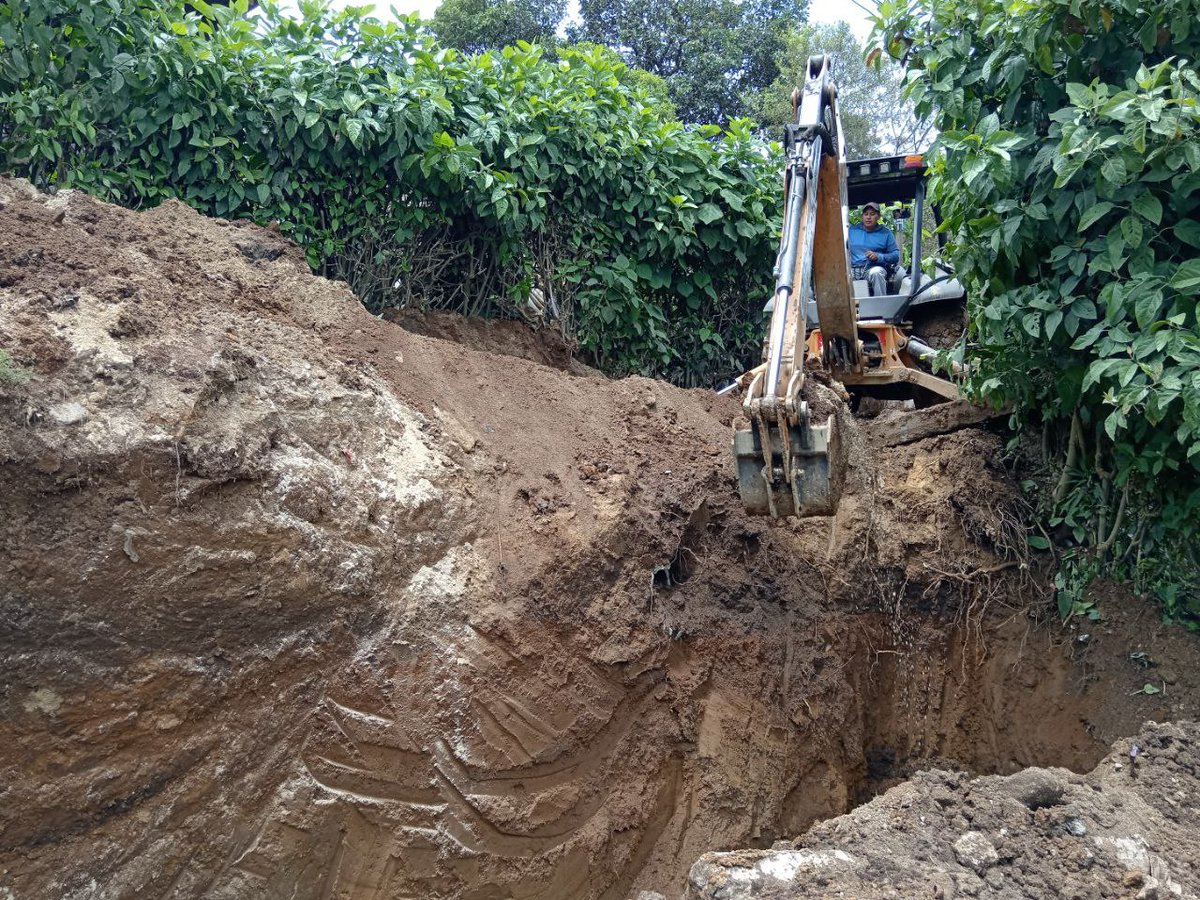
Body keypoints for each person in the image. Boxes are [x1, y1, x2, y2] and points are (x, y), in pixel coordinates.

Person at [849, 201, 900, 296]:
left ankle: (881, 303)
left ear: (878, 217)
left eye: (872, 214)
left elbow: (895, 256)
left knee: (876, 273)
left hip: (871, 269)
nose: (868, 217)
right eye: (866, 214)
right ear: (862, 216)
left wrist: (879, 256)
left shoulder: (886, 233)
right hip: (852, 269)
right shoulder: (851, 230)